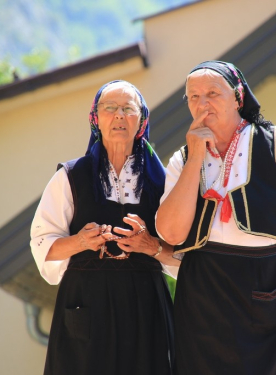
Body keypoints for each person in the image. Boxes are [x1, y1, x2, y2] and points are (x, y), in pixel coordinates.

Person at [156, 61, 276, 375]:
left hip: (272, 285)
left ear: (238, 97)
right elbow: (171, 234)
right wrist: (196, 155)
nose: (202, 103)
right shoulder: (183, 159)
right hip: (204, 294)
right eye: (193, 97)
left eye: (213, 93)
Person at [30, 80, 179, 375]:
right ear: (96, 119)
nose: (119, 116)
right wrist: (81, 242)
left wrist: (151, 246)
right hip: (86, 305)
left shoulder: (164, 182)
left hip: (145, 307)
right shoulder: (71, 177)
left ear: (142, 120)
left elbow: (186, 259)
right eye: (109, 108)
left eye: (128, 109)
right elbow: (41, 245)